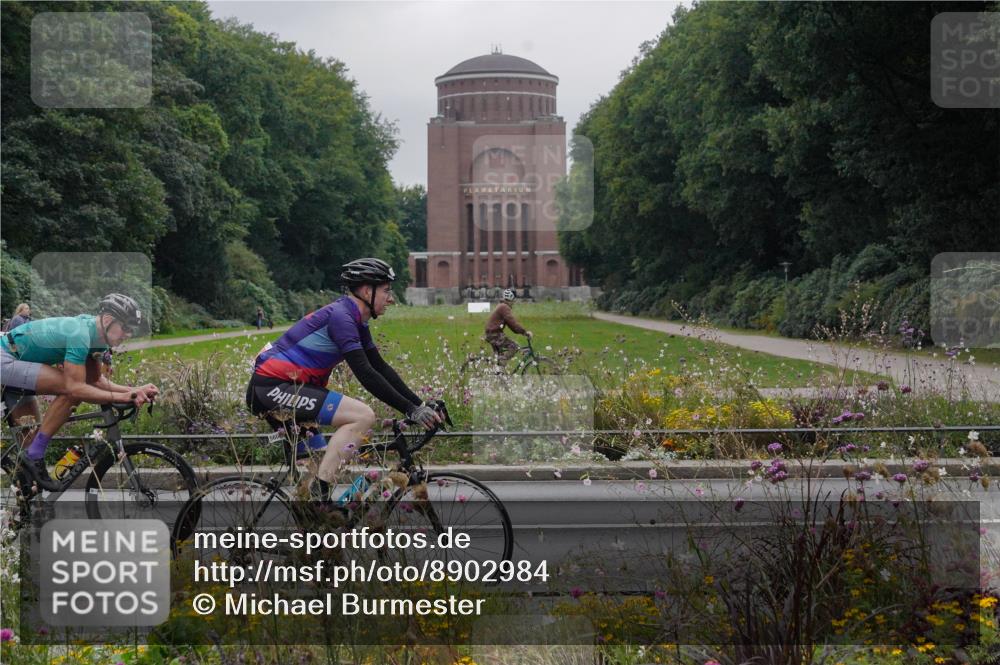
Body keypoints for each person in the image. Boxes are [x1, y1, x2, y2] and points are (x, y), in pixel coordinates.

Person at [245, 258, 443, 503]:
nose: (390, 298)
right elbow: (365, 374)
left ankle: (315, 523)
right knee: (362, 416)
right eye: (386, 290)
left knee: (315, 473)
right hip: (272, 387)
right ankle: (322, 493)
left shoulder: (355, 319)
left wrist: (419, 404)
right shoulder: (342, 317)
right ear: (367, 291)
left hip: (287, 388)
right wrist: (411, 410)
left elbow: (380, 367)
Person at [0, 294, 158, 489]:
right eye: (125, 328)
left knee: (29, 449)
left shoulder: (98, 338)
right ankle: (33, 456)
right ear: (108, 320)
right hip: (6, 359)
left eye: (131, 330)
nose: (128, 334)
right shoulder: (80, 334)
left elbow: (95, 380)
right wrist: (125, 396)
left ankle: (25, 511)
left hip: (18, 363)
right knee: (70, 392)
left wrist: (134, 390)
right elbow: (74, 388)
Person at [485, 289, 532, 363]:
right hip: (495, 334)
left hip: (491, 334)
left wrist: (520, 332)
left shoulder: (501, 306)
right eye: (513, 300)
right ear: (510, 299)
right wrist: (525, 332)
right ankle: (501, 362)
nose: (513, 303)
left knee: (499, 355)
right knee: (514, 346)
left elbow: (511, 326)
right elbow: (512, 323)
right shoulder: (504, 307)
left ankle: (497, 371)